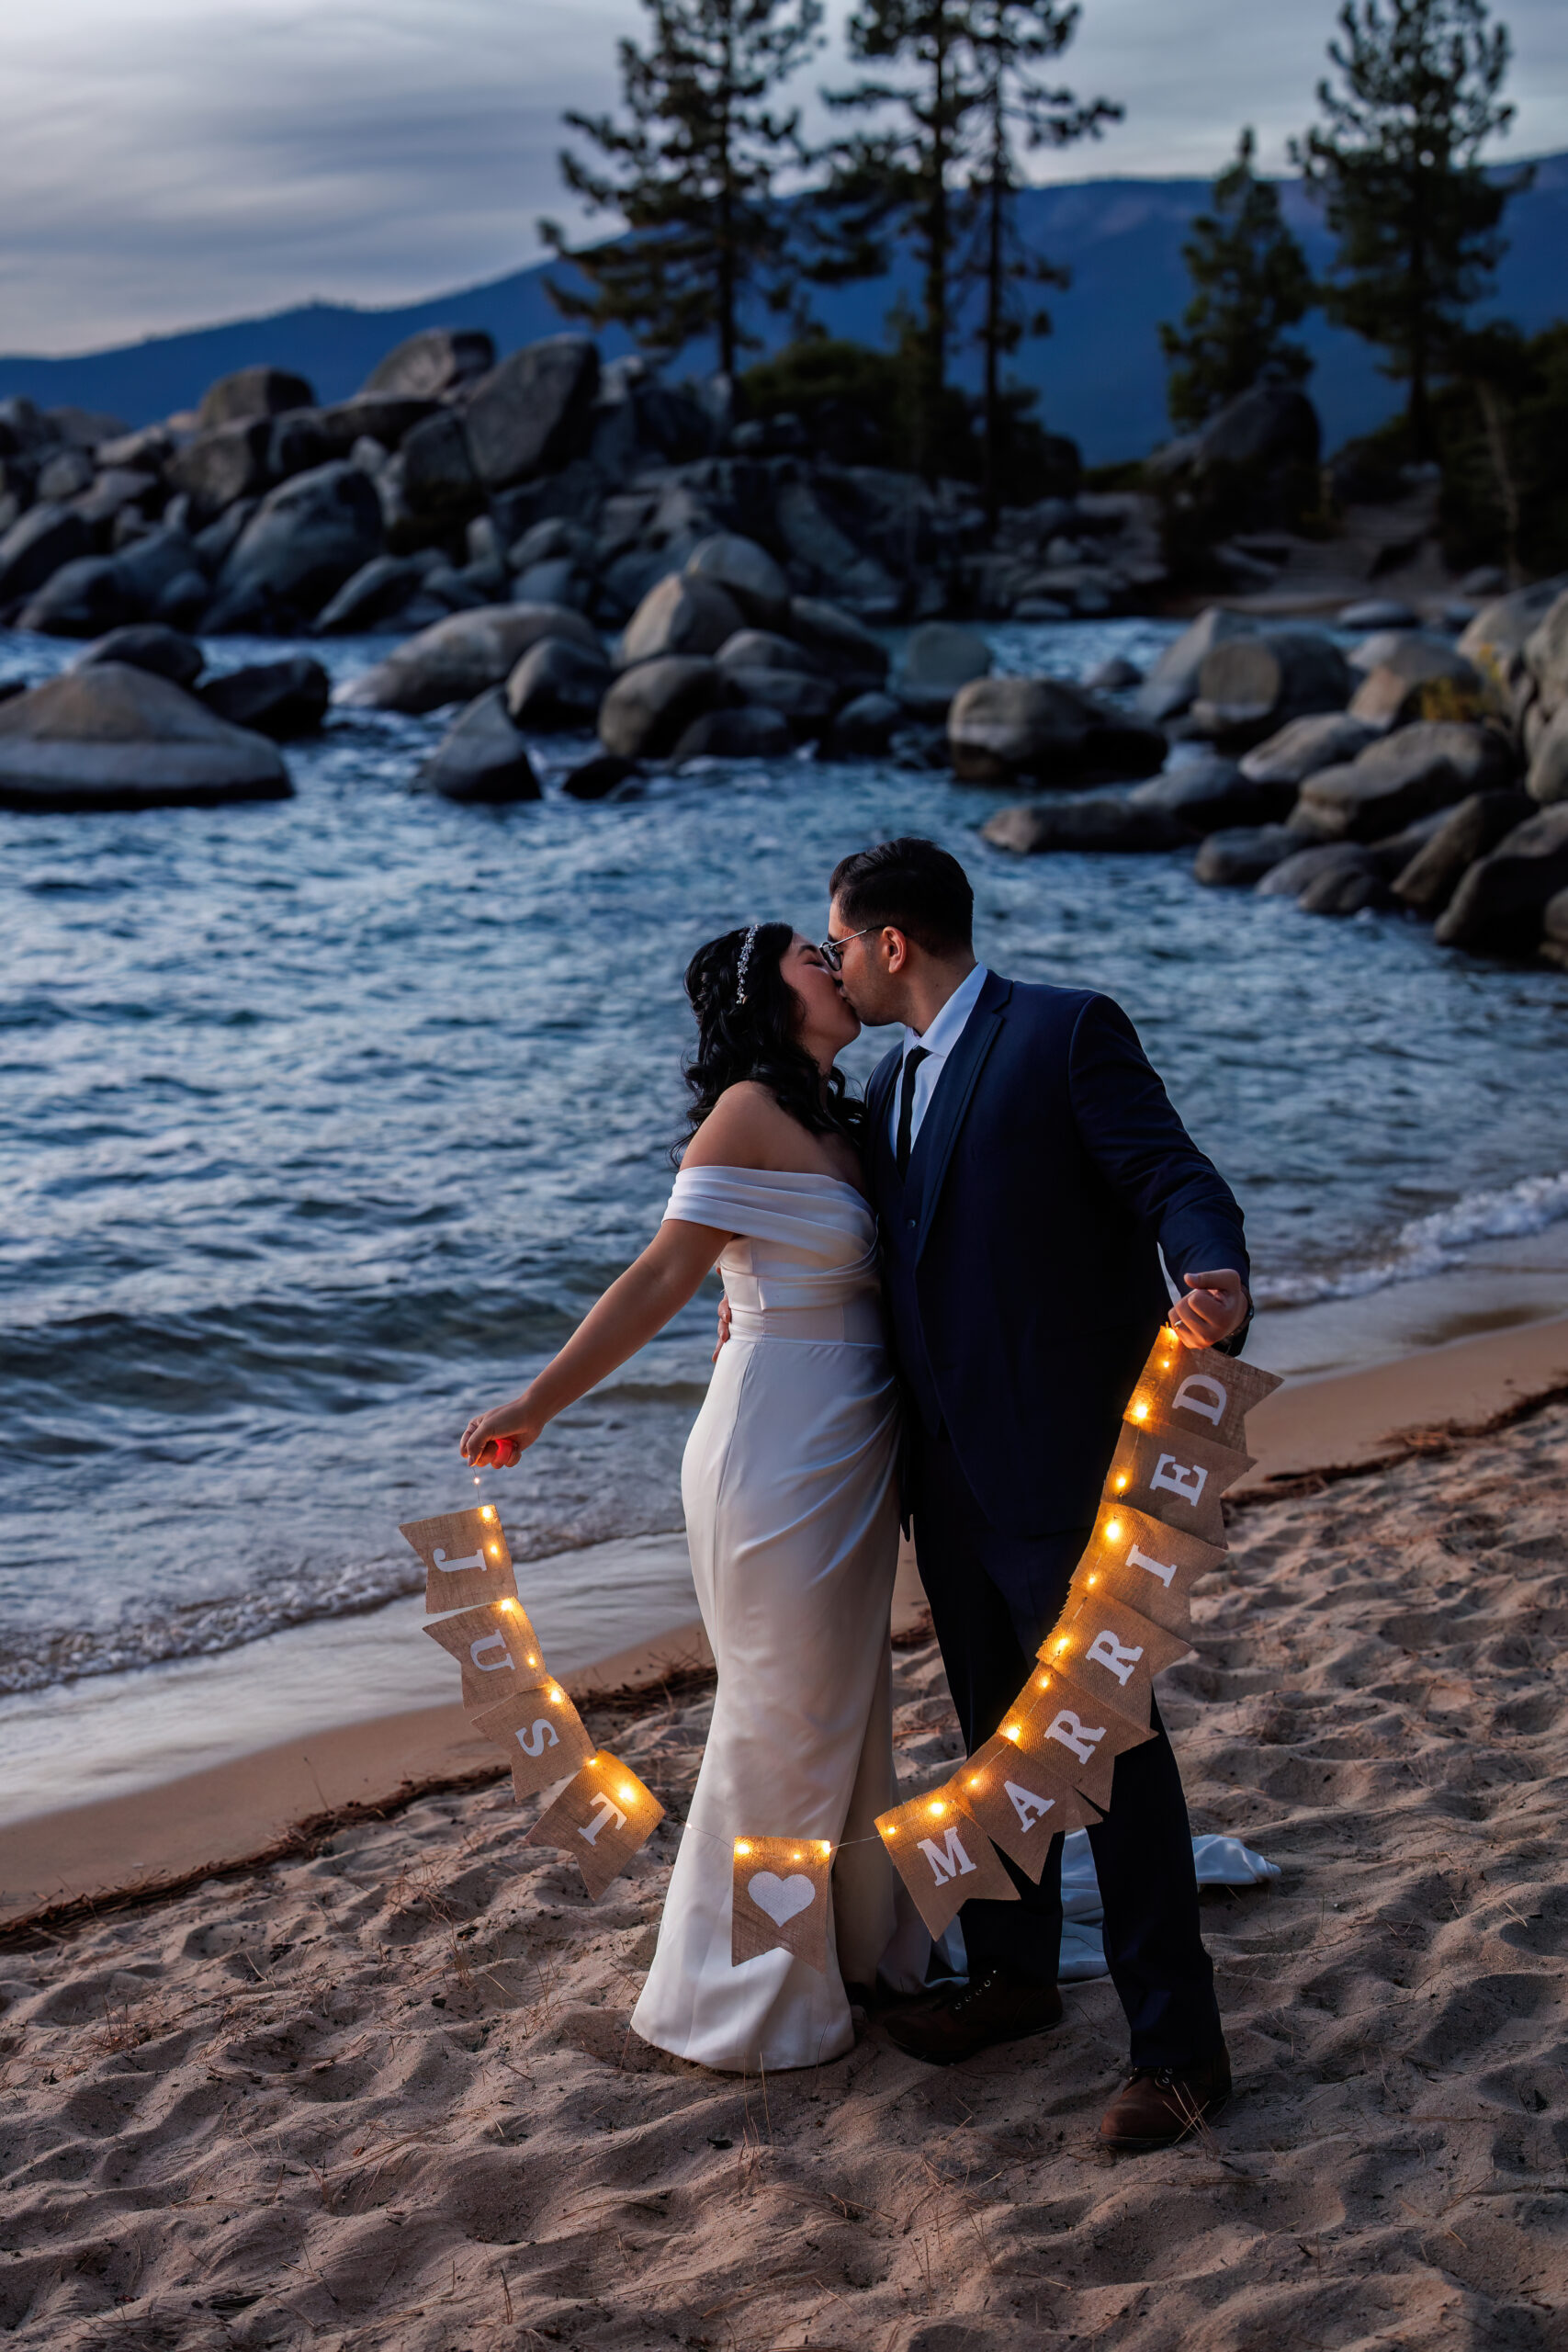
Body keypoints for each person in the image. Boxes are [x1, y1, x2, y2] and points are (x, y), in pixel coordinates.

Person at [821, 836, 1251, 2153]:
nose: (832, 967)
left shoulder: (1063, 1032)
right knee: (995, 1736)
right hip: (941, 1483)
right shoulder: (890, 1085)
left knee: (1111, 1753)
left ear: (892, 943)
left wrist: (1212, 1276)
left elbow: (1171, 1174)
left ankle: (1178, 2055)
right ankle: (1009, 1978)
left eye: (837, 943)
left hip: (1065, 1467)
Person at [459, 922, 924, 2072]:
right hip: (777, 1449)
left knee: (843, 1710)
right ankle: (744, 1988)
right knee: (784, 1717)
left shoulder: (845, 1112)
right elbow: (664, 1272)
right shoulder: (749, 1114)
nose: (835, 961)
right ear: (768, 993)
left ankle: (843, 1949)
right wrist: (538, 1401)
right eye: (813, 956)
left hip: (855, 1443)